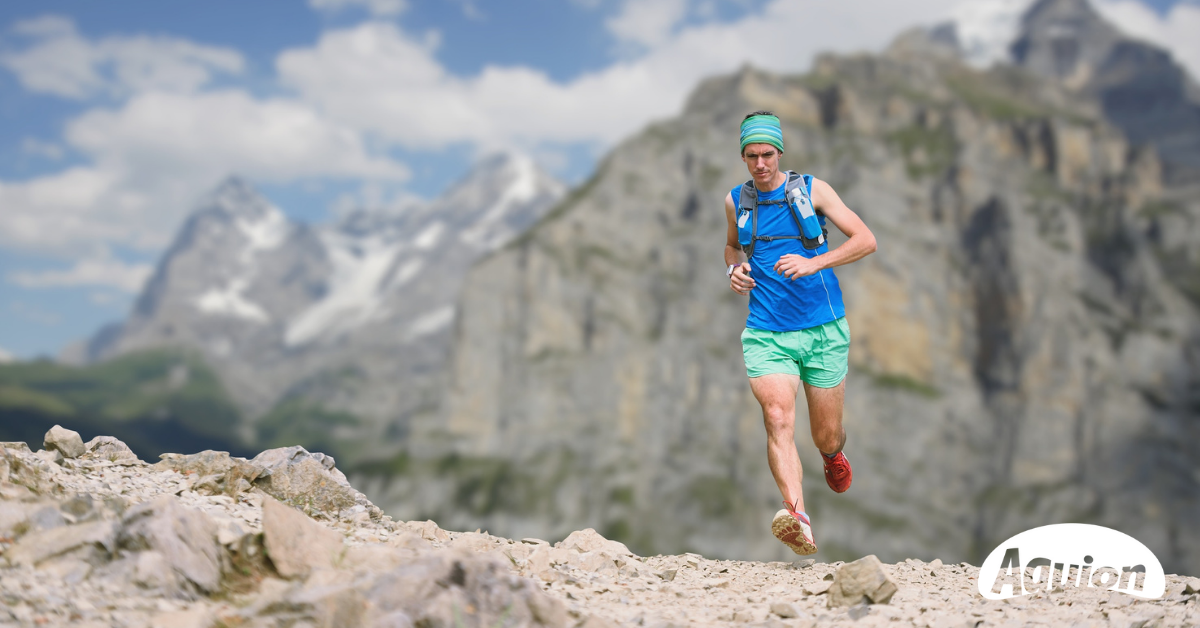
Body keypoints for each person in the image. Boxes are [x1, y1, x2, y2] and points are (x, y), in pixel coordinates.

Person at [723, 111, 877, 555]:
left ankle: (832, 455)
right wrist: (734, 269)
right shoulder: (736, 201)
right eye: (751, 156)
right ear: (743, 156)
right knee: (777, 416)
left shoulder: (813, 190)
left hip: (823, 329)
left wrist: (815, 262)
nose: (760, 164)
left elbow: (866, 240)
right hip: (766, 332)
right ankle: (798, 518)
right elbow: (731, 246)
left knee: (825, 434)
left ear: (779, 152)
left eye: (767, 154)